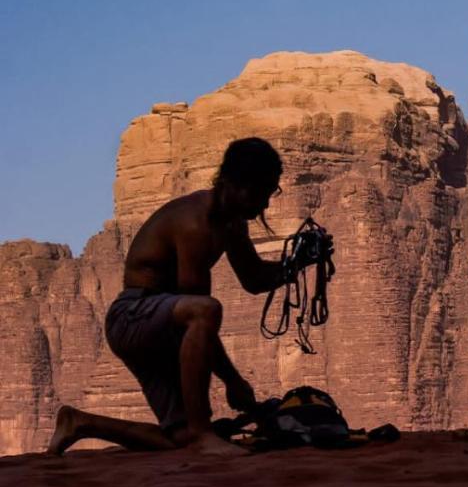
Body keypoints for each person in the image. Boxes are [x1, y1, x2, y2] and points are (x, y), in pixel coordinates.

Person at [47, 137, 290, 457]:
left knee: (179, 439)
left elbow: (254, 278)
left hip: (160, 322)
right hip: (132, 316)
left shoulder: (231, 223)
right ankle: (204, 434)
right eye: (261, 192)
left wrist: (296, 263)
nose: (265, 205)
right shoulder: (195, 223)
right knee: (205, 309)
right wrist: (233, 380)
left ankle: (80, 423)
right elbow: (199, 315)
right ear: (236, 183)